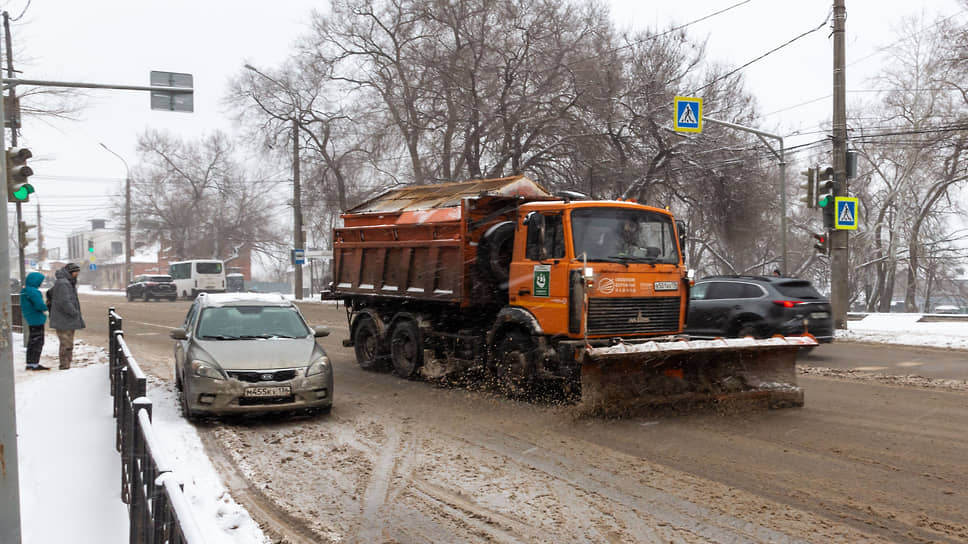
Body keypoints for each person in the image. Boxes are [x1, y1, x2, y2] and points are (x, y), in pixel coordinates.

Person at [48, 262, 85, 370]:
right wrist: (74, 312)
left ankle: (67, 364)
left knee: (68, 343)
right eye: (76, 272)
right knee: (66, 344)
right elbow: (65, 301)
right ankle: (64, 365)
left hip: (66, 319)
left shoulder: (67, 282)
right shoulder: (64, 283)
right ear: (70, 272)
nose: (77, 274)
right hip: (64, 319)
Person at [20, 271, 50, 371]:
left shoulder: (24, 290)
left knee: (32, 342)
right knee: (38, 342)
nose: (41, 283)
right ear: (35, 281)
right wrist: (46, 308)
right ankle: (34, 364)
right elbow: (39, 305)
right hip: (37, 319)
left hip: (30, 318)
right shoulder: (33, 291)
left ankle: (30, 363)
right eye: (40, 281)